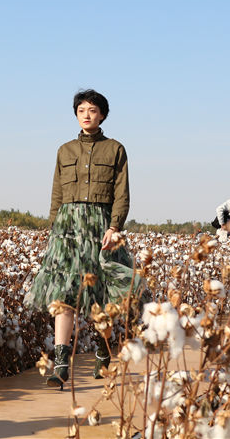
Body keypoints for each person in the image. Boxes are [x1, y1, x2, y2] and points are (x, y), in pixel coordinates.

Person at [25, 89, 144, 390]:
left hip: (101, 228)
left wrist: (115, 227)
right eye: (81, 110)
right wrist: (54, 229)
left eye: (92, 109)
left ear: (102, 114)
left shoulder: (115, 149)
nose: (87, 114)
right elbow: (57, 194)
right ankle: (62, 364)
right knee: (63, 295)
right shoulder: (64, 150)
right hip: (67, 227)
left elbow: (121, 193)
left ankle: (104, 350)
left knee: (100, 297)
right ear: (76, 114)